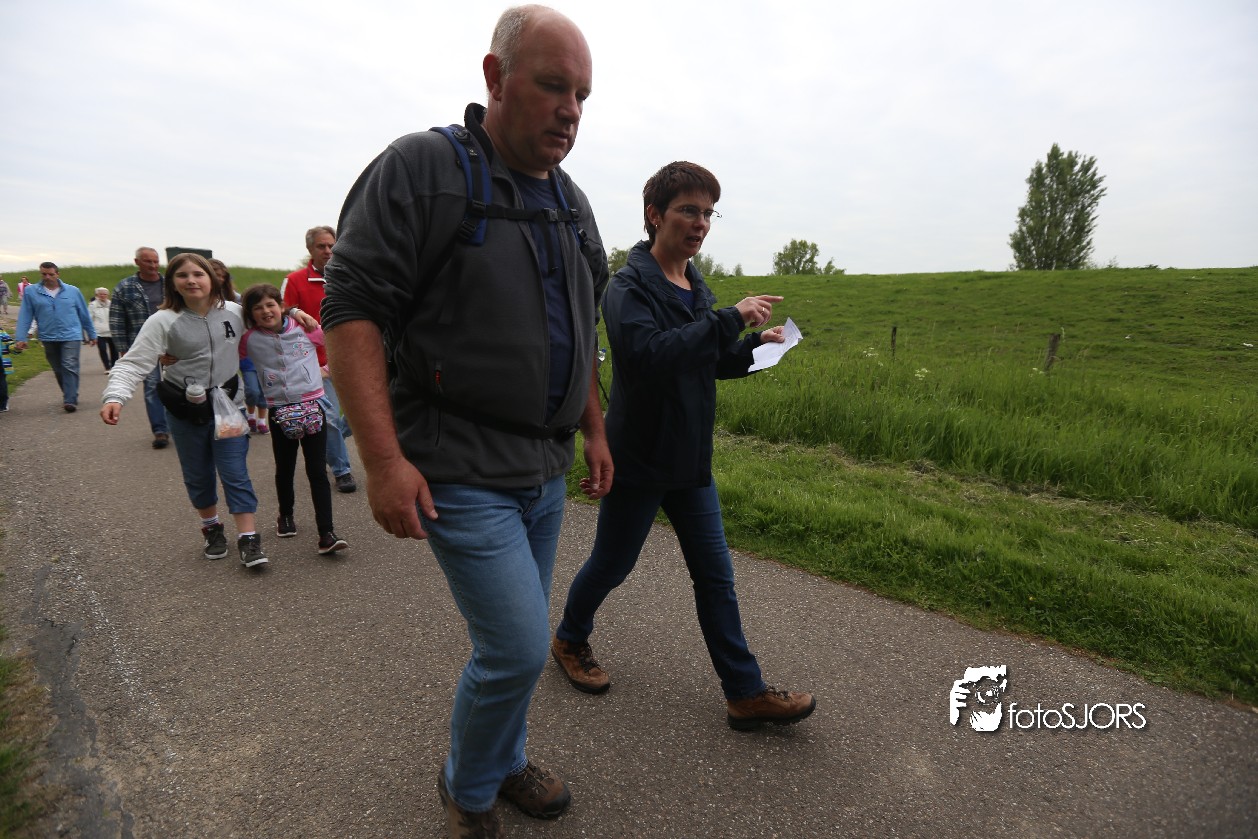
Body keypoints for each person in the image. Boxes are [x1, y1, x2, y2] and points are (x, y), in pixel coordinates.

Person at [320, 6, 611, 836]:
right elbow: (352, 309)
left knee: (514, 645)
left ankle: (504, 757)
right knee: (517, 646)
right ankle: (468, 785)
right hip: (458, 466)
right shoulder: (424, 169)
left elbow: (582, 325)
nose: (570, 111)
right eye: (553, 86)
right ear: (495, 77)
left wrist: (594, 427)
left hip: (543, 470)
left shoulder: (571, 202)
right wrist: (383, 461)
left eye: (582, 95)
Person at [551, 162, 816, 732]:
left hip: (691, 461)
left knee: (716, 577)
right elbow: (649, 356)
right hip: (639, 458)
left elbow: (707, 358)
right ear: (655, 215)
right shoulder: (627, 288)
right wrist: (728, 319)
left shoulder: (696, 286)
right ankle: (570, 638)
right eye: (689, 210)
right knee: (612, 565)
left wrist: (754, 345)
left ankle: (744, 692)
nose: (701, 223)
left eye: (708, 213)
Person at [101, 253, 273, 569]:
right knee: (198, 474)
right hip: (185, 409)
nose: (191, 280)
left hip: (228, 408)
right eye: (182, 275)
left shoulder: (235, 312)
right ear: (172, 283)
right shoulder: (162, 320)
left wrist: (298, 314)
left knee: (235, 472)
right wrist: (115, 397)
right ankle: (212, 528)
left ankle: (248, 538)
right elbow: (133, 363)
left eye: (198, 274)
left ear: (212, 279)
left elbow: (272, 316)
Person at [239, 283, 347, 555]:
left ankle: (327, 533)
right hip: (279, 410)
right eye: (258, 308)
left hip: (313, 407)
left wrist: (326, 370)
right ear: (250, 314)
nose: (266, 311)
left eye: (270, 305)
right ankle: (285, 516)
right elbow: (225, 356)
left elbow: (337, 343)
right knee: (285, 468)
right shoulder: (249, 339)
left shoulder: (305, 328)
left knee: (316, 470)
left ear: (281, 306)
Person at [282, 226, 356, 492]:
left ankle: (326, 444)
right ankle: (342, 470)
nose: (327, 251)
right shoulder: (295, 280)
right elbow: (283, 312)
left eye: (331, 245)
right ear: (310, 249)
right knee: (331, 417)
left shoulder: (349, 277)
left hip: (351, 358)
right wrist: (294, 312)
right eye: (321, 246)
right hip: (316, 364)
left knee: (359, 416)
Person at [14, 262, 96, 412]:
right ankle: (70, 393)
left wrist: (92, 333)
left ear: (57, 274)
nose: (47, 277)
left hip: (71, 334)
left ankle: (69, 400)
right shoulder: (31, 292)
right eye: (44, 274)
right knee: (58, 369)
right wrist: (21, 337)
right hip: (48, 336)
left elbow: (84, 313)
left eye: (51, 274)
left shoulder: (72, 291)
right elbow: (25, 315)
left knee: (69, 365)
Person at [112, 247, 172, 449]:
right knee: (152, 386)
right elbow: (117, 320)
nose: (153, 265)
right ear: (137, 262)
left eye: (156, 261)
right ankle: (160, 430)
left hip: (172, 343)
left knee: (177, 384)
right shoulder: (125, 287)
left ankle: (178, 424)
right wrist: (123, 348)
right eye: (148, 261)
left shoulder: (170, 284)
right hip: (144, 345)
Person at [210, 259, 266, 433]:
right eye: (215, 275)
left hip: (234, 352)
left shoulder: (235, 299)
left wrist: (294, 311)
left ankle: (234, 425)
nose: (219, 279)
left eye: (222, 276)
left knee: (236, 389)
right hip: (209, 352)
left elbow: (260, 311)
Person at [88, 288, 119, 372]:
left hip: (111, 331)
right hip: (99, 332)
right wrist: (91, 333)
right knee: (102, 349)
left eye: (105, 294)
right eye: (101, 294)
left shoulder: (112, 304)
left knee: (114, 350)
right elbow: (89, 318)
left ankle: (114, 366)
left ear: (107, 295)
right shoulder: (93, 305)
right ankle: (107, 367)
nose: (103, 296)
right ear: (97, 295)